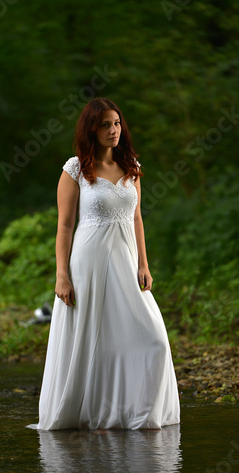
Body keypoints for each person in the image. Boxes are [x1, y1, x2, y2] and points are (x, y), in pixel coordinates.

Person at [27, 97, 180, 431]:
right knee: (91, 335)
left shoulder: (132, 166)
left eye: (117, 123)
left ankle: (136, 411)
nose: (113, 130)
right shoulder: (75, 169)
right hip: (88, 262)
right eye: (105, 125)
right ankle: (89, 411)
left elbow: (137, 217)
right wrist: (62, 275)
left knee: (152, 337)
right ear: (91, 129)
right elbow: (64, 226)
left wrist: (144, 263)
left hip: (126, 261)